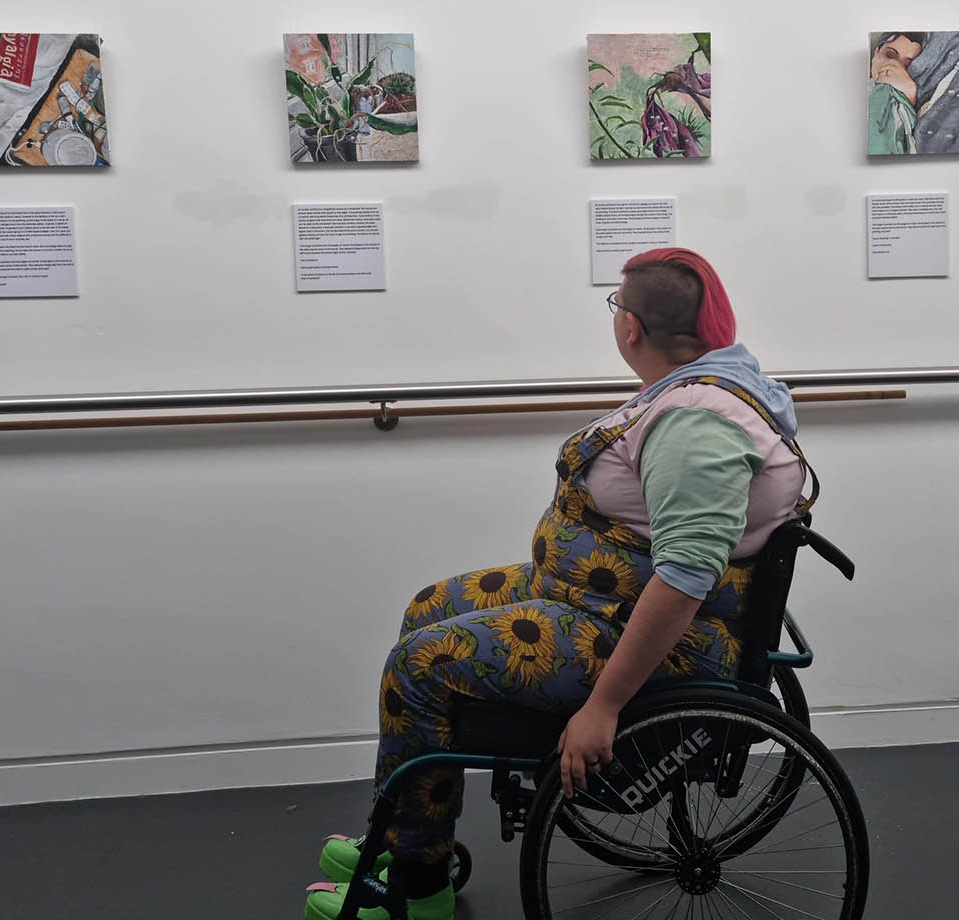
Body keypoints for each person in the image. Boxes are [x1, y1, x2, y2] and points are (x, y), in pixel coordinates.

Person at [303, 248, 815, 920]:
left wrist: (603, 708)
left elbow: (687, 573)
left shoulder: (699, 422)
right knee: (428, 607)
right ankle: (409, 833)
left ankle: (419, 887)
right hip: (596, 599)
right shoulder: (700, 384)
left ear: (630, 327)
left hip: (648, 633)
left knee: (421, 665)